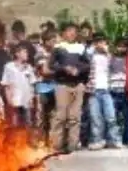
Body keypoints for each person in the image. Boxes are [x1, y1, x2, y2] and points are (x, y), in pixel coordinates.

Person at [50, 23, 90, 153]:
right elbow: (52, 65)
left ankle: (72, 146)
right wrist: (64, 68)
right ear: (64, 33)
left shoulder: (81, 47)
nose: (72, 33)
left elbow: (87, 65)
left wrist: (78, 70)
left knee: (75, 117)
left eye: (74, 31)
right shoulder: (58, 47)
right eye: (69, 31)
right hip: (62, 85)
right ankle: (56, 146)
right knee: (60, 116)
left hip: (77, 85)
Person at [86, 33, 121, 150]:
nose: (102, 44)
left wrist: (106, 51)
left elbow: (113, 63)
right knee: (95, 117)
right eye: (99, 42)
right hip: (94, 90)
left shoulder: (108, 56)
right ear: (95, 43)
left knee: (111, 117)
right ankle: (97, 140)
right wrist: (94, 47)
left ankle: (114, 140)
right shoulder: (91, 54)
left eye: (104, 42)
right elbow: (87, 55)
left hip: (106, 90)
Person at [0, 44, 36, 132]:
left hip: (26, 100)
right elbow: (6, 84)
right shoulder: (9, 66)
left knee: (28, 123)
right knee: (14, 123)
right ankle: (14, 143)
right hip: (14, 99)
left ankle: (27, 142)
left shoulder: (29, 67)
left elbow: (32, 85)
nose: (27, 54)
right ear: (17, 54)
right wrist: (9, 99)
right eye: (24, 52)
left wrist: (31, 98)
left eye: (27, 52)